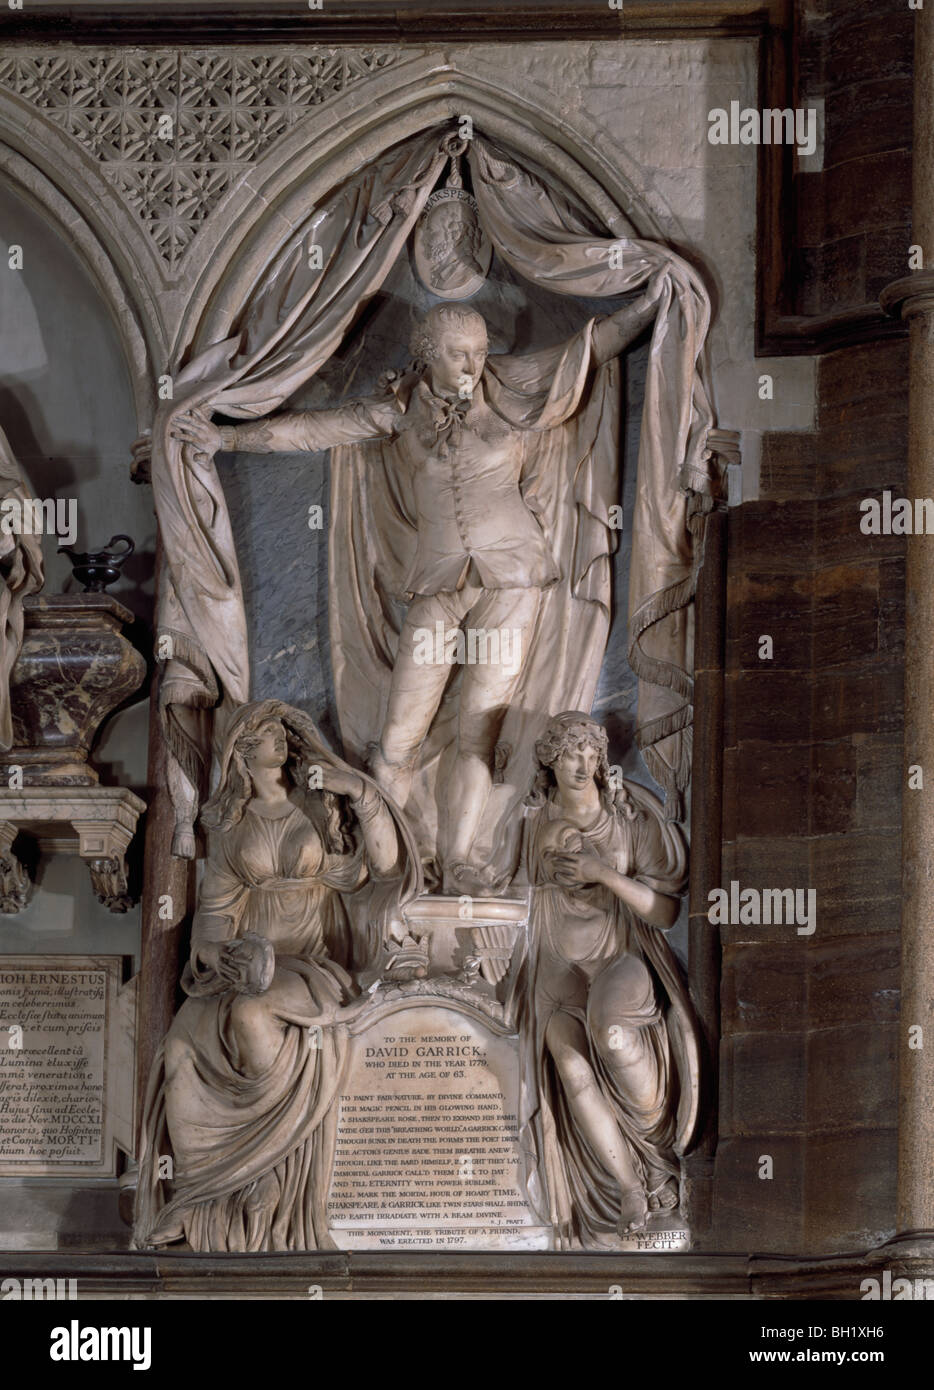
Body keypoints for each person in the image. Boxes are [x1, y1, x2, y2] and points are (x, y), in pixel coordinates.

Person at [171, 287, 663, 891]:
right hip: (437, 581)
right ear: (426, 354)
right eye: (458, 354)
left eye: (479, 352)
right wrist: (226, 440)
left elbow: (588, 349)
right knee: (401, 728)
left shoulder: (509, 391)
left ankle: (456, 860)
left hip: (514, 578)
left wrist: (648, 307)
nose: (472, 366)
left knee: (479, 728)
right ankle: (392, 866)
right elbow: (315, 430)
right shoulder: (399, 409)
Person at [133, 698, 416, 1252]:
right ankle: (195, 1195)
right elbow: (212, 924)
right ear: (240, 751)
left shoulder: (318, 808)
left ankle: (265, 1169)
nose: (278, 738)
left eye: (281, 730)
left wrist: (357, 791)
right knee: (181, 1046)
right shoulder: (232, 831)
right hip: (249, 964)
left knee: (251, 1012)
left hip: (311, 962)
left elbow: (382, 867)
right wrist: (223, 957)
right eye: (263, 731)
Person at [518, 710, 699, 1248]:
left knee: (613, 1033)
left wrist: (603, 874)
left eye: (590, 752)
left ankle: (660, 1160)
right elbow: (499, 888)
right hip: (554, 966)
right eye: (570, 752)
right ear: (549, 760)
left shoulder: (627, 821)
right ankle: (631, 1189)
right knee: (571, 1069)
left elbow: (664, 913)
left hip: (618, 954)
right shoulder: (528, 826)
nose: (582, 762)